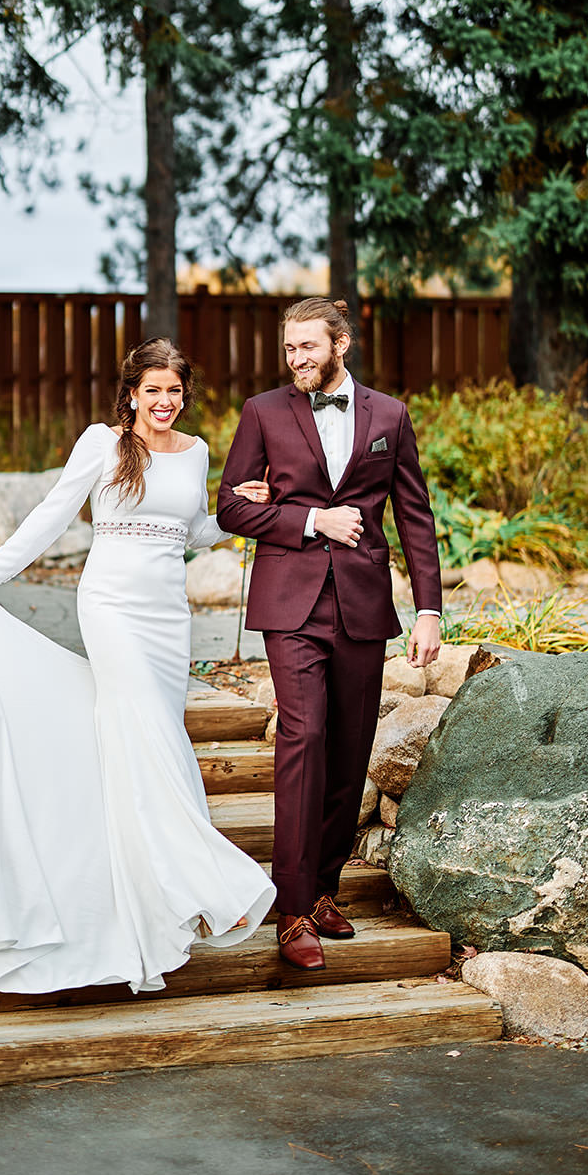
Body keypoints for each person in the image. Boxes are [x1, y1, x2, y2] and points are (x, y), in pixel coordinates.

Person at [0, 338, 275, 994]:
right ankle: (208, 880)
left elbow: (193, 530)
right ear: (131, 392)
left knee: (151, 734)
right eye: (153, 390)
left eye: (174, 391)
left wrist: (241, 510)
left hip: (167, 619)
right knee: (147, 735)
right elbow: (50, 516)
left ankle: (153, 894)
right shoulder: (101, 444)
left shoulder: (197, 453)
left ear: (186, 395)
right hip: (112, 609)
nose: (164, 402)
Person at [216, 297, 442, 971]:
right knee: (304, 737)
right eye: (289, 350)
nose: (296, 360)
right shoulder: (261, 413)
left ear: (339, 343)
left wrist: (427, 609)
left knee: (348, 752)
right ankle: (289, 913)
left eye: (307, 348)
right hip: (289, 602)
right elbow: (229, 504)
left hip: (362, 605)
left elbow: (415, 517)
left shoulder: (388, 417)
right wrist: (310, 521)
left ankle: (321, 890)